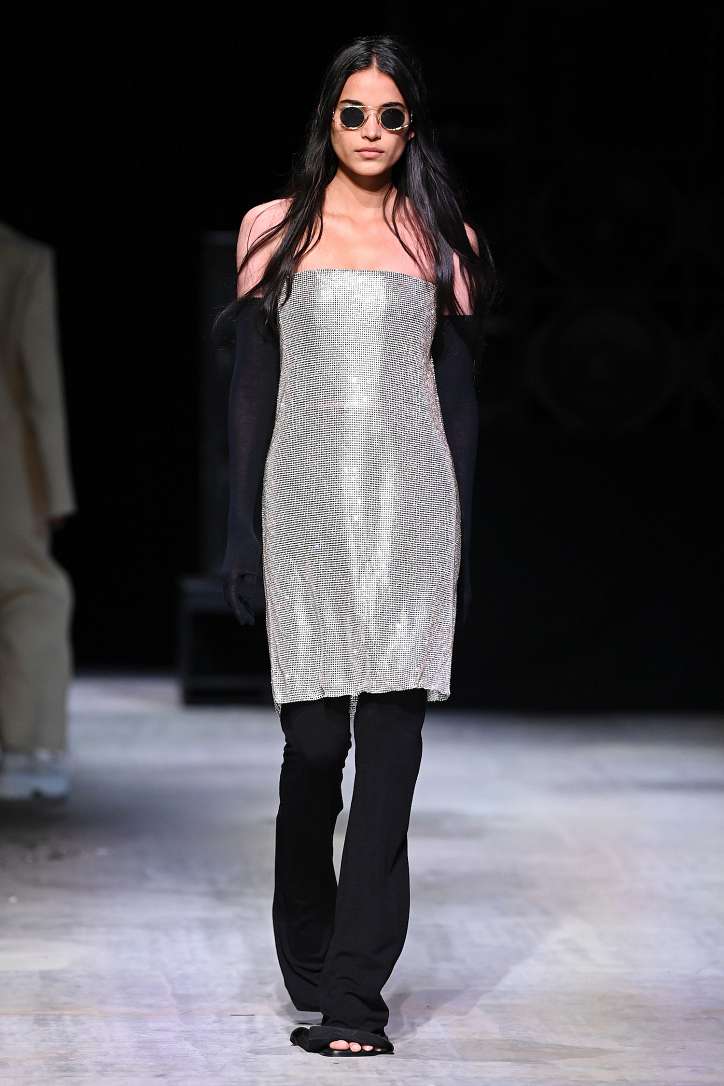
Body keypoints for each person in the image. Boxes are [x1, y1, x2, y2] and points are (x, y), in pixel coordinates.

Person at [213, 34, 495, 1057]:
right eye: (353, 112)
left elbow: (457, 403)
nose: (371, 131)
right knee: (314, 752)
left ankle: (351, 1001)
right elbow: (252, 389)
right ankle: (310, 942)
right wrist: (241, 531)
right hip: (303, 514)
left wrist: (462, 543)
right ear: (327, 119)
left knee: (389, 758)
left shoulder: (442, 238)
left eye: (389, 115)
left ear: (410, 128)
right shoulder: (273, 229)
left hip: (412, 514)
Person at [0, 222, 76, 802]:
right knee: (34, 593)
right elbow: (39, 384)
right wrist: (55, 490)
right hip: (8, 463)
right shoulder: (20, 260)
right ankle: (29, 746)